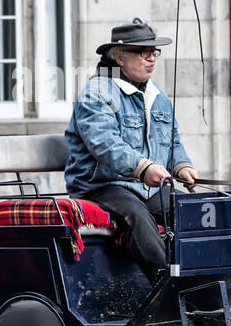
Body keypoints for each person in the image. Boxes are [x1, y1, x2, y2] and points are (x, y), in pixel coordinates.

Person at [65, 18, 198, 279]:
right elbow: (106, 145)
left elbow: (172, 140)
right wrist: (143, 167)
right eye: (141, 52)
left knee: (194, 210)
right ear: (119, 58)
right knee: (138, 216)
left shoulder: (157, 95)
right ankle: (166, 287)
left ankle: (205, 276)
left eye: (153, 52)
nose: (151, 58)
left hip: (146, 187)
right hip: (100, 186)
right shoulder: (96, 93)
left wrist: (183, 166)